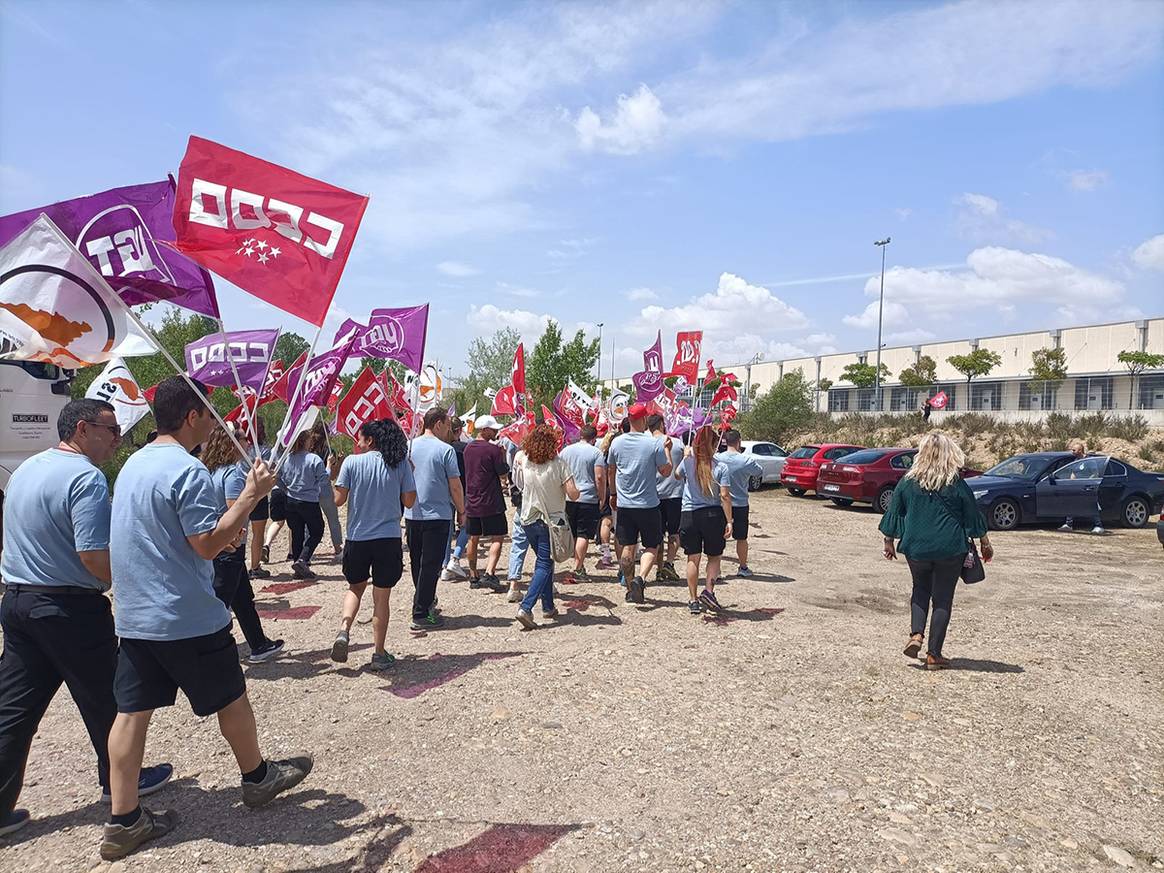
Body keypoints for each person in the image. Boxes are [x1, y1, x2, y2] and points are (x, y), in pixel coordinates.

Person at [104, 377, 311, 860]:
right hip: (185, 615)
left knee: (131, 714)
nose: (216, 419)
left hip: (136, 616)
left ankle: (123, 819)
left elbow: (171, 534)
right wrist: (250, 496)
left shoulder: (132, 464)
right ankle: (258, 777)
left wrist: (224, 530)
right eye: (210, 411)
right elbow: (206, 544)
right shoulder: (187, 469)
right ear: (192, 416)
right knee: (232, 699)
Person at [0, 400, 173, 839]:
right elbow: (93, 554)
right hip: (69, 607)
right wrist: (132, 577)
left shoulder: (26, 470)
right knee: (109, 699)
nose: (117, 438)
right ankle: (121, 793)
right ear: (82, 428)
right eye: (110, 430)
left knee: (15, 709)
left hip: (19, 602)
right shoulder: (85, 477)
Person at [879, 431, 993, 670]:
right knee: (942, 598)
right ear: (949, 454)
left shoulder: (908, 481)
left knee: (920, 589)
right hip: (950, 547)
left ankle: (916, 635)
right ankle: (934, 654)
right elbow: (972, 514)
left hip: (916, 546)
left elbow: (894, 512)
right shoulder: (955, 483)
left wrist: (888, 540)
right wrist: (984, 542)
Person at [331, 419, 417, 670]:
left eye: (360, 438)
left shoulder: (352, 462)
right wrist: (409, 472)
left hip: (358, 537)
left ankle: (344, 629)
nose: (358, 442)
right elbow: (409, 502)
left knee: (355, 587)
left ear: (370, 440)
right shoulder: (400, 464)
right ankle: (379, 653)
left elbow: (338, 500)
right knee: (382, 597)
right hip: (388, 538)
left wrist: (332, 473)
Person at [200, 426, 284, 664]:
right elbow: (234, 508)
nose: (248, 441)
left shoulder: (210, 471)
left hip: (219, 543)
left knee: (243, 598)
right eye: (242, 438)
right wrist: (258, 492)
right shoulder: (233, 474)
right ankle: (207, 654)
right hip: (230, 545)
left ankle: (258, 644)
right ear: (230, 444)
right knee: (220, 604)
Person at [404, 408, 466, 633]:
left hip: (412, 514)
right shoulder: (445, 450)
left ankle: (424, 601)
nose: (449, 430)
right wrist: (462, 510)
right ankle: (420, 612)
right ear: (438, 424)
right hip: (437, 515)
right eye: (448, 425)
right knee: (431, 565)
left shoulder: (409, 446)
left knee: (417, 562)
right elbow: (455, 485)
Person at [605, 403, 673, 603]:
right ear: (644, 420)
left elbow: (611, 470)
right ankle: (641, 578)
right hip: (649, 504)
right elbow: (666, 471)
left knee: (627, 546)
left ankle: (628, 585)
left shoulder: (616, 443)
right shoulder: (653, 443)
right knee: (651, 546)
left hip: (625, 504)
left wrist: (613, 493)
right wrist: (667, 450)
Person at [513, 425, 579, 629]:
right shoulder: (559, 464)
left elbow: (518, 480)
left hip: (529, 520)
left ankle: (548, 606)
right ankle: (526, 607)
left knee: (546, 561)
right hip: (551, 522)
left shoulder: (525, 460)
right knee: (543, 564)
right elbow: (573, 493)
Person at [675, 425, 733, 615]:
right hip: (712, 515)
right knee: (714, 556)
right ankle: (708, 590)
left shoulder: (688, 462)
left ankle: (693, 600)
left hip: (689, 514)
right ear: (714, 444)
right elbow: (724, 496)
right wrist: (729, 520)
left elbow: (676, 476)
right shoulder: (721, 467)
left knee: (693, 558)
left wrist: (685, 457)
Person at [463, 415, 509, 590]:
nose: (496, 431)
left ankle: (473, 576)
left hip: (472, 499)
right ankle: (489, 573)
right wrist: (503, 456)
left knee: (472, 537)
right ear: (485, 430)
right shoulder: (493, 450)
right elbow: (502, 473)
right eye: (493, 429)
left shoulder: (468, 448)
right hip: (491, 500)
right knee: (498, 536)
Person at [278, 428, 330, 579]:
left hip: (291, 500)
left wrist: (286, 489)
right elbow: (324, 479)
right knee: (317, 530)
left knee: (297, 533)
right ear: (305, 441)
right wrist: (329, 466)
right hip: (308, 501)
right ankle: (303, 559)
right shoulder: (313, 459)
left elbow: (278, 477)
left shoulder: (287, 458)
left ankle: (298, 565)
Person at [559, 425, 607, 583]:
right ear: (594, 438)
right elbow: (599, 477)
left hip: (568, 497)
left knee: (572, 532)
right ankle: (578, 567)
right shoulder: (596, 452)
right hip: (588, 497)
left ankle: (575, 561)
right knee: (584, 534)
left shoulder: (566, 451)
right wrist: (602, 497)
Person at [715, 429, 764, 577]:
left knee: (717, 537)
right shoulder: (746, 460)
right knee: (741, 538)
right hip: (740, 503)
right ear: (739, 442)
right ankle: (742, 567)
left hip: (720, 503)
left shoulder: (717, 458)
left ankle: (715, 569)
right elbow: (759, 472)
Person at [648, 414, 684, 582]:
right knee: (674, 532)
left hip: (653, 494)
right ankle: (669, 563)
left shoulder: (647, 444)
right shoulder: (677, 443)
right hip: (675, 493)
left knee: (657, 535)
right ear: (662, 424)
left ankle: (660, 568)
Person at [441, 416, 471, 581]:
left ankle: (445, 565)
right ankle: (456, 557)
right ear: (459, 431)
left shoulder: (441, 448)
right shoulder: (464, 448)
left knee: (447, 529)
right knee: (468, 525)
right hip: (463, 490)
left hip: (444, 492)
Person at [245, 420, 273, 579]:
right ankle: (254, 567)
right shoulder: (266, 451)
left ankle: (241, 563)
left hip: (239, 492)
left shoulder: (240, 449)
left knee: (238, 531)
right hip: (258, 495)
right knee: (257, 533)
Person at [501, 433, 528, 602]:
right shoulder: (542, 458)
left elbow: (515, 480)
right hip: (538, 504)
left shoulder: (519, 455)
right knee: (544, 547)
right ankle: (546, 583)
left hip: (522, 503)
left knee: (518, 545)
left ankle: (513, 585)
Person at [1059, 438, 1104, 534]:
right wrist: (1071, 483)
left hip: (1087, 487)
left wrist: (1087, 482)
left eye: (1074, 450)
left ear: (1080, 450)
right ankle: (1069, 524)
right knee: (1072, 504)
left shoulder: (1089, 461)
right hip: (1077, 487)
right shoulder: (1076, 461)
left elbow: (1095, 473)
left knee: (1091, 506)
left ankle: (1098, 525)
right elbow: (1073, 473)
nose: (1072, 451)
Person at [595, 428, 619, 570]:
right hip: (616, 490)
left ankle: (606, 552)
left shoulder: (602, 455)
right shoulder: (619, 454)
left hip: (607, 488)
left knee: (606, 522)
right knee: (617, 524)